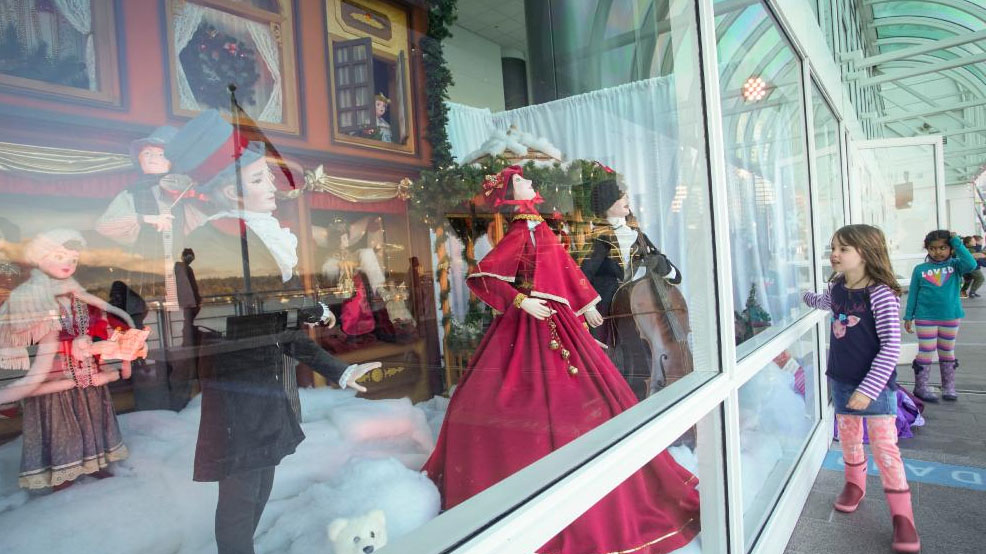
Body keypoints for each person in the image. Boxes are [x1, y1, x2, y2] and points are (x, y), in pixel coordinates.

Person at [422, 165, 700, 554]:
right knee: (530, 399)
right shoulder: (521, 231)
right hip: (531, 324)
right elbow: (483, 277)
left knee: (599, 394)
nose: (531, 184)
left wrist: (586, 305)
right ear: (509, 193)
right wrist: (521, 300)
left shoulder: (538, 227)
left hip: (560, 319)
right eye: (523, 181)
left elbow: (566, 270)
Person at [166, 109, 381, 554]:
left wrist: (329, 353)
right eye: (261, 180)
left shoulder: (247, 237)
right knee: (242, 492)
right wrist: (314, 323)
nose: (274, 189)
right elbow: (263, 320)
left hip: (259, 384)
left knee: (258, 479)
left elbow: (269, 316)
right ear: (230, 190)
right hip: (243, 387)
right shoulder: (219, 242)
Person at [0, 229, 147, 491]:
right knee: (61, 424)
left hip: (88, 373)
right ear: (41, 258)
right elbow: (25, 340)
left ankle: (96, 462)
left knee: (93, 418)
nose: (68, 264)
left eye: (73, 259)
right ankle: (63, 472)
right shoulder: (29, 298)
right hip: (54, 376)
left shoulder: (80, 297)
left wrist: (120, 339)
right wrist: (73, 346)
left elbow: (101, 326)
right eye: (59, 256)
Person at [802, 224, 918, 553]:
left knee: (884, 449)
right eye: (833, 248)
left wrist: (868, 389)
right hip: (841, 378)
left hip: (875, 386)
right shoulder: (838, 287)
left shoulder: (881, 294)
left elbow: (891, 348)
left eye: (842, 249)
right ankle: (854, 485)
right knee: (850, 437)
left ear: (864, 253)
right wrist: (798, 297)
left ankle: (902, 517)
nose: (834, 254)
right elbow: (823, 301)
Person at [580, 178, 687, 398]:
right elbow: (581, 276)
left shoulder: (638, 235)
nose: (627, 199)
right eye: (622, 196)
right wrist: (587, 306)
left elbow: (676, 277)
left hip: (636, 312)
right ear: (608, 204)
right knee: (614, 360)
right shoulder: (599, 239)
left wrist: (662, 266)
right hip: (609, 312)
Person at [903, 230, 977, 403]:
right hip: (925, 317)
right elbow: (913, 293)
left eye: (943, 247)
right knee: (926, 351)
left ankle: (949, 387)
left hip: (950, 316)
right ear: (927, 249)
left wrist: (957, 243)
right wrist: (908, 316)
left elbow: (972, 264)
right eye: (932, 248)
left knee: (947, 351)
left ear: (950, 248)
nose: (938, 252)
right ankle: (921, 387)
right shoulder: (920, 269)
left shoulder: (957, 265)